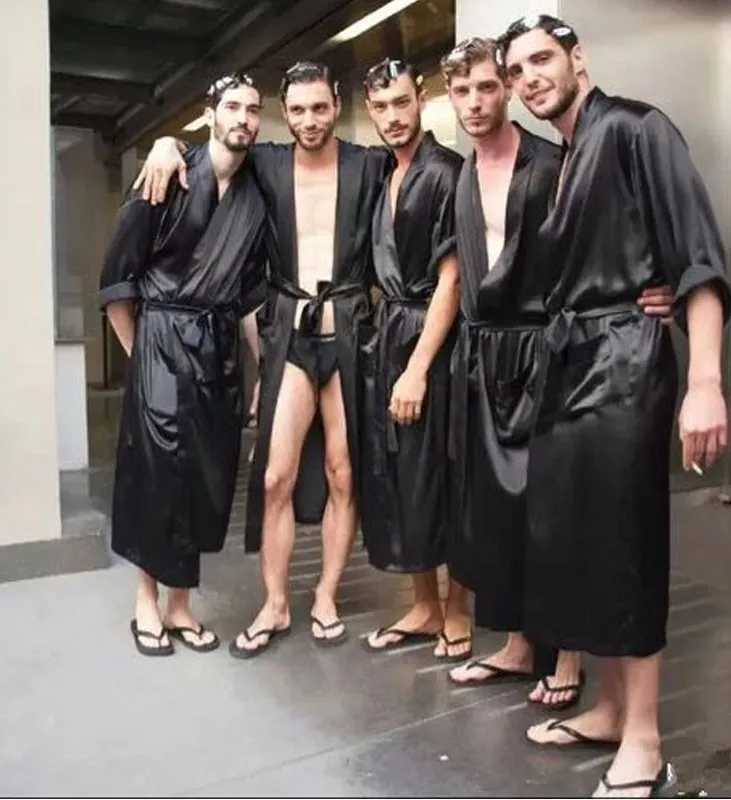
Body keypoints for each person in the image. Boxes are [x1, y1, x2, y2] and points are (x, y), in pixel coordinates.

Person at [500, 15, 731, 797]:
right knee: (582, 543)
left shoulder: (637, 128)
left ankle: (645, 737)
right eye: (516, 70)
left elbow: (697, 257)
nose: (530, 78)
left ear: (577, 57)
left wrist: (705, 382)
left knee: (627, 543)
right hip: (570, 363)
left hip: (627, 361)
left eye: (541, 59)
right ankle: (606, 708)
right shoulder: (561, 160)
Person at [437, 37, 676, 709]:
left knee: (549, 510)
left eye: (489, 86)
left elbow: (608, 244)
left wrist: (658, 286)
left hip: (552, 350)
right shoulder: (461, 172)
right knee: (498, 512)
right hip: (485, 356)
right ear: (449, 98)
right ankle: (520, 645)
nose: (476, 101)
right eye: (463, 91)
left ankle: (566, 657)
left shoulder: (553, 160)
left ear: (507, 91)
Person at [133, 62, 391, 655]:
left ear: (336, 104)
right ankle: (274, 604)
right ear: (284, 111)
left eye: (320, 108)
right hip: (291, 335)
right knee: (275, 478)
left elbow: (420, 168)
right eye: (296, 110)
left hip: (349, 329)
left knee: (343, 473)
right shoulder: (267, 163)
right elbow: (218, 145)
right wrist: (165, 142)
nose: (309, 120)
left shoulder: (369, 164)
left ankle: (325, 596)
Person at [99, 73, 267, 656]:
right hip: (162, 341)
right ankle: (145, 601)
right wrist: (142, 357)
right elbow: (118, 281)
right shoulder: (167, 173)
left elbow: (250, 297)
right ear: (210, 113)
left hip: (218, 350)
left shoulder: (255, 192)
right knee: (157, 474)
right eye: (232, 106)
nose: (243, 118)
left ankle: (180, 606)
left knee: (204, 475)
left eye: (253, 109)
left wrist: (264, 371)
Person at [357, 58, 472, 661]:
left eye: (402, 103)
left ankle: (458, 610)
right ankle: (425, 605)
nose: (393, 117)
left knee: (442, 471)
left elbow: (453, 278)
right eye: (381, 107)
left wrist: (418, 368)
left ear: (421, 99)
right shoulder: (382, 172)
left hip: (434, 339)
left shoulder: (447, 171)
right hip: (390, 333)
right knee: (403, 473)